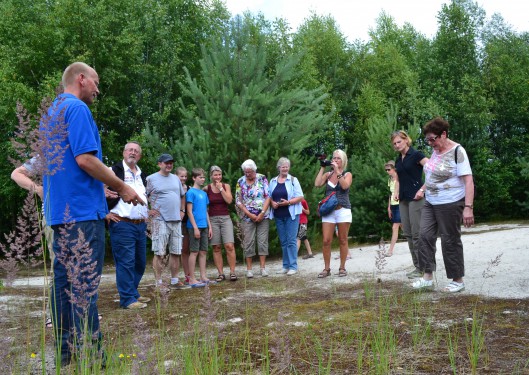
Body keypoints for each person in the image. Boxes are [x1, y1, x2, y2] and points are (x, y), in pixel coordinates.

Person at [40, 62, 144, 367]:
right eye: (96, 82)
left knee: (63, 285)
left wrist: (101, 189)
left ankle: (65, 354)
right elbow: (85, 159)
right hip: (83, 215)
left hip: (60, 213)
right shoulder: (77, 109)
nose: (98, 89)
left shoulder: (50, 115)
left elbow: (65, 168)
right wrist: (121, 186)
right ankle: (94, 357)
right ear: (81, 79)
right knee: (85, 284)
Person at [412, 117, 474, 292]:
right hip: (431, 201)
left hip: (451, 202)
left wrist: (468, 207)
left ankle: (457, 280)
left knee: (450, 240)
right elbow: (432, 175)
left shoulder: (457, 151)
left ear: (444, 134)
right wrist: (423, 189)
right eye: (428, 140)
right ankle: (427, 277)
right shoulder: (436, 151)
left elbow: (468, 181)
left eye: (434, 139)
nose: (431, 143)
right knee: (424, 236)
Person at [105, 142, 151, 309]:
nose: (133, 152)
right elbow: (95, 190)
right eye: (130, 150)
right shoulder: (113, 171)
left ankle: (133, 292)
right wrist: (104, 212)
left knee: (140, 262)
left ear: (140, 156)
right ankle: (127, 299)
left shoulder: (141, 174)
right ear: (124, 152)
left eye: (136, 151)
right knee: (126, 262)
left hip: (140, 225)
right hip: (122, 223)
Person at [391, 130, 428, 278]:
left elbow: (433, 170)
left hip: (416, 198)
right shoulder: (398, 160)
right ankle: (417, 266)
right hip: (403, 199)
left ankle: (425, 268)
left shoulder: (417, 155)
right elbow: (398, 179)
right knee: (408, 233)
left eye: (399, 141)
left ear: (406, 140)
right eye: (394, 143)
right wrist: (396, 191)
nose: (397, 145)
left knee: (417, 234)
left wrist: (423, 189)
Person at [146, 154, 187, 289]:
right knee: (159, 252)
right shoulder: (151, 179)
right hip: (160, 220)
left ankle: (174, 280)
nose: (169, 165)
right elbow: (143, 197)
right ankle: (158, 282)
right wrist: (148, 211)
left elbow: (182, 195)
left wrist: (182, 211)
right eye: (166, 163)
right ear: (159, 164)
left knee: (176, 251)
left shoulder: (176, 179)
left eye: (171, 163)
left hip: (176, 219)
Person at [314, 150, 353, 278]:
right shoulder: (328, 174)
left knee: (342, 239)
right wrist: (322, 167)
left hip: (343, 210)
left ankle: (342, 267)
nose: (335, 160)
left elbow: (345, 186)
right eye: (334, 158)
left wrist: (337, 172)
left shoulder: (347, 174)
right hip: (329, 211)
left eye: (338, 158)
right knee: (326, 240)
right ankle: (326, 268)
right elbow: (317, 184)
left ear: (343, 161)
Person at [235, 159, 271, 278]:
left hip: (263, 215)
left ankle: (262, 268)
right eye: (246, 172)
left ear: (254, 170)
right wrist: (249, 214)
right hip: (247, 216)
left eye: (250, 172)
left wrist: (262, 212)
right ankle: (249, 269)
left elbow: (268, 196)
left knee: (262, 241)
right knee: (248, 241)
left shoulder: (262, 178)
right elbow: (238, 201)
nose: (247, 174)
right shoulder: (240, 181)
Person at [269, 157, 304, 275]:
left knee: (291, 241)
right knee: (283, 241)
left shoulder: (294, 180)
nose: (285, 168)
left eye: (287, 166)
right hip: (278, 215)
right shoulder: (273, 181)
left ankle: (293, 266)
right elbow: (269, 196)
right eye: (283, 166)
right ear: (279, 168)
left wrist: (288, 202)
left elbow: (300, 197)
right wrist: (272, 203)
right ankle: (285, 266)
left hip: (291, 215)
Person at [206, 166, 238, 282]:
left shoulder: (226, 186)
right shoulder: (207, 188)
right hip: (213, 219)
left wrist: (221, 189)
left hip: (225, 218)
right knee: (216, 247)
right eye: (215, 175)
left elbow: (229, 200)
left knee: (229, 245)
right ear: (211, 176)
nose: (218, 177)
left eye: (219, 175)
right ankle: (220, 273)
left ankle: (232, 272)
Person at [186, 168, 213, 286]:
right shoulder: (191, 192)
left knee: (203, 252)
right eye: (200, 177)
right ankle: (192, 278)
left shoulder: (204, 193)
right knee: (194, 252)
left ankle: (203, 276)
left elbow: (206, 211)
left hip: (204, 226)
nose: (202, 179)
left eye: (203, 177)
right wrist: (195, 227)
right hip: (194, 227)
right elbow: (189, 212)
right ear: (194, 178)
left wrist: (210, 226)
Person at [175, 167, 191, 284]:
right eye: (182, 176)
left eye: (185, 176)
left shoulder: (189, 189)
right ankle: (174, 277)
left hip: (187, 222)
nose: (184, 178)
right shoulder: (173, 188)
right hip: (175, 221)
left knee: (185, 250)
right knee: (175, 250)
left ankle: (188, 275)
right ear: (176, 176)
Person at [384, 160, 402, 257]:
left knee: (395, 227)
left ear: (394, 169)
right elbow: (390, 195)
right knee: (404, 227)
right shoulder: (390, 180)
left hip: (400, 204)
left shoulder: (400, 179)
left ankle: (390, 250)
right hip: (393, 205)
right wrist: (389, 207)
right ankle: (418, 242)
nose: (387, 171)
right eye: (386, 170)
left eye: (389, 169)